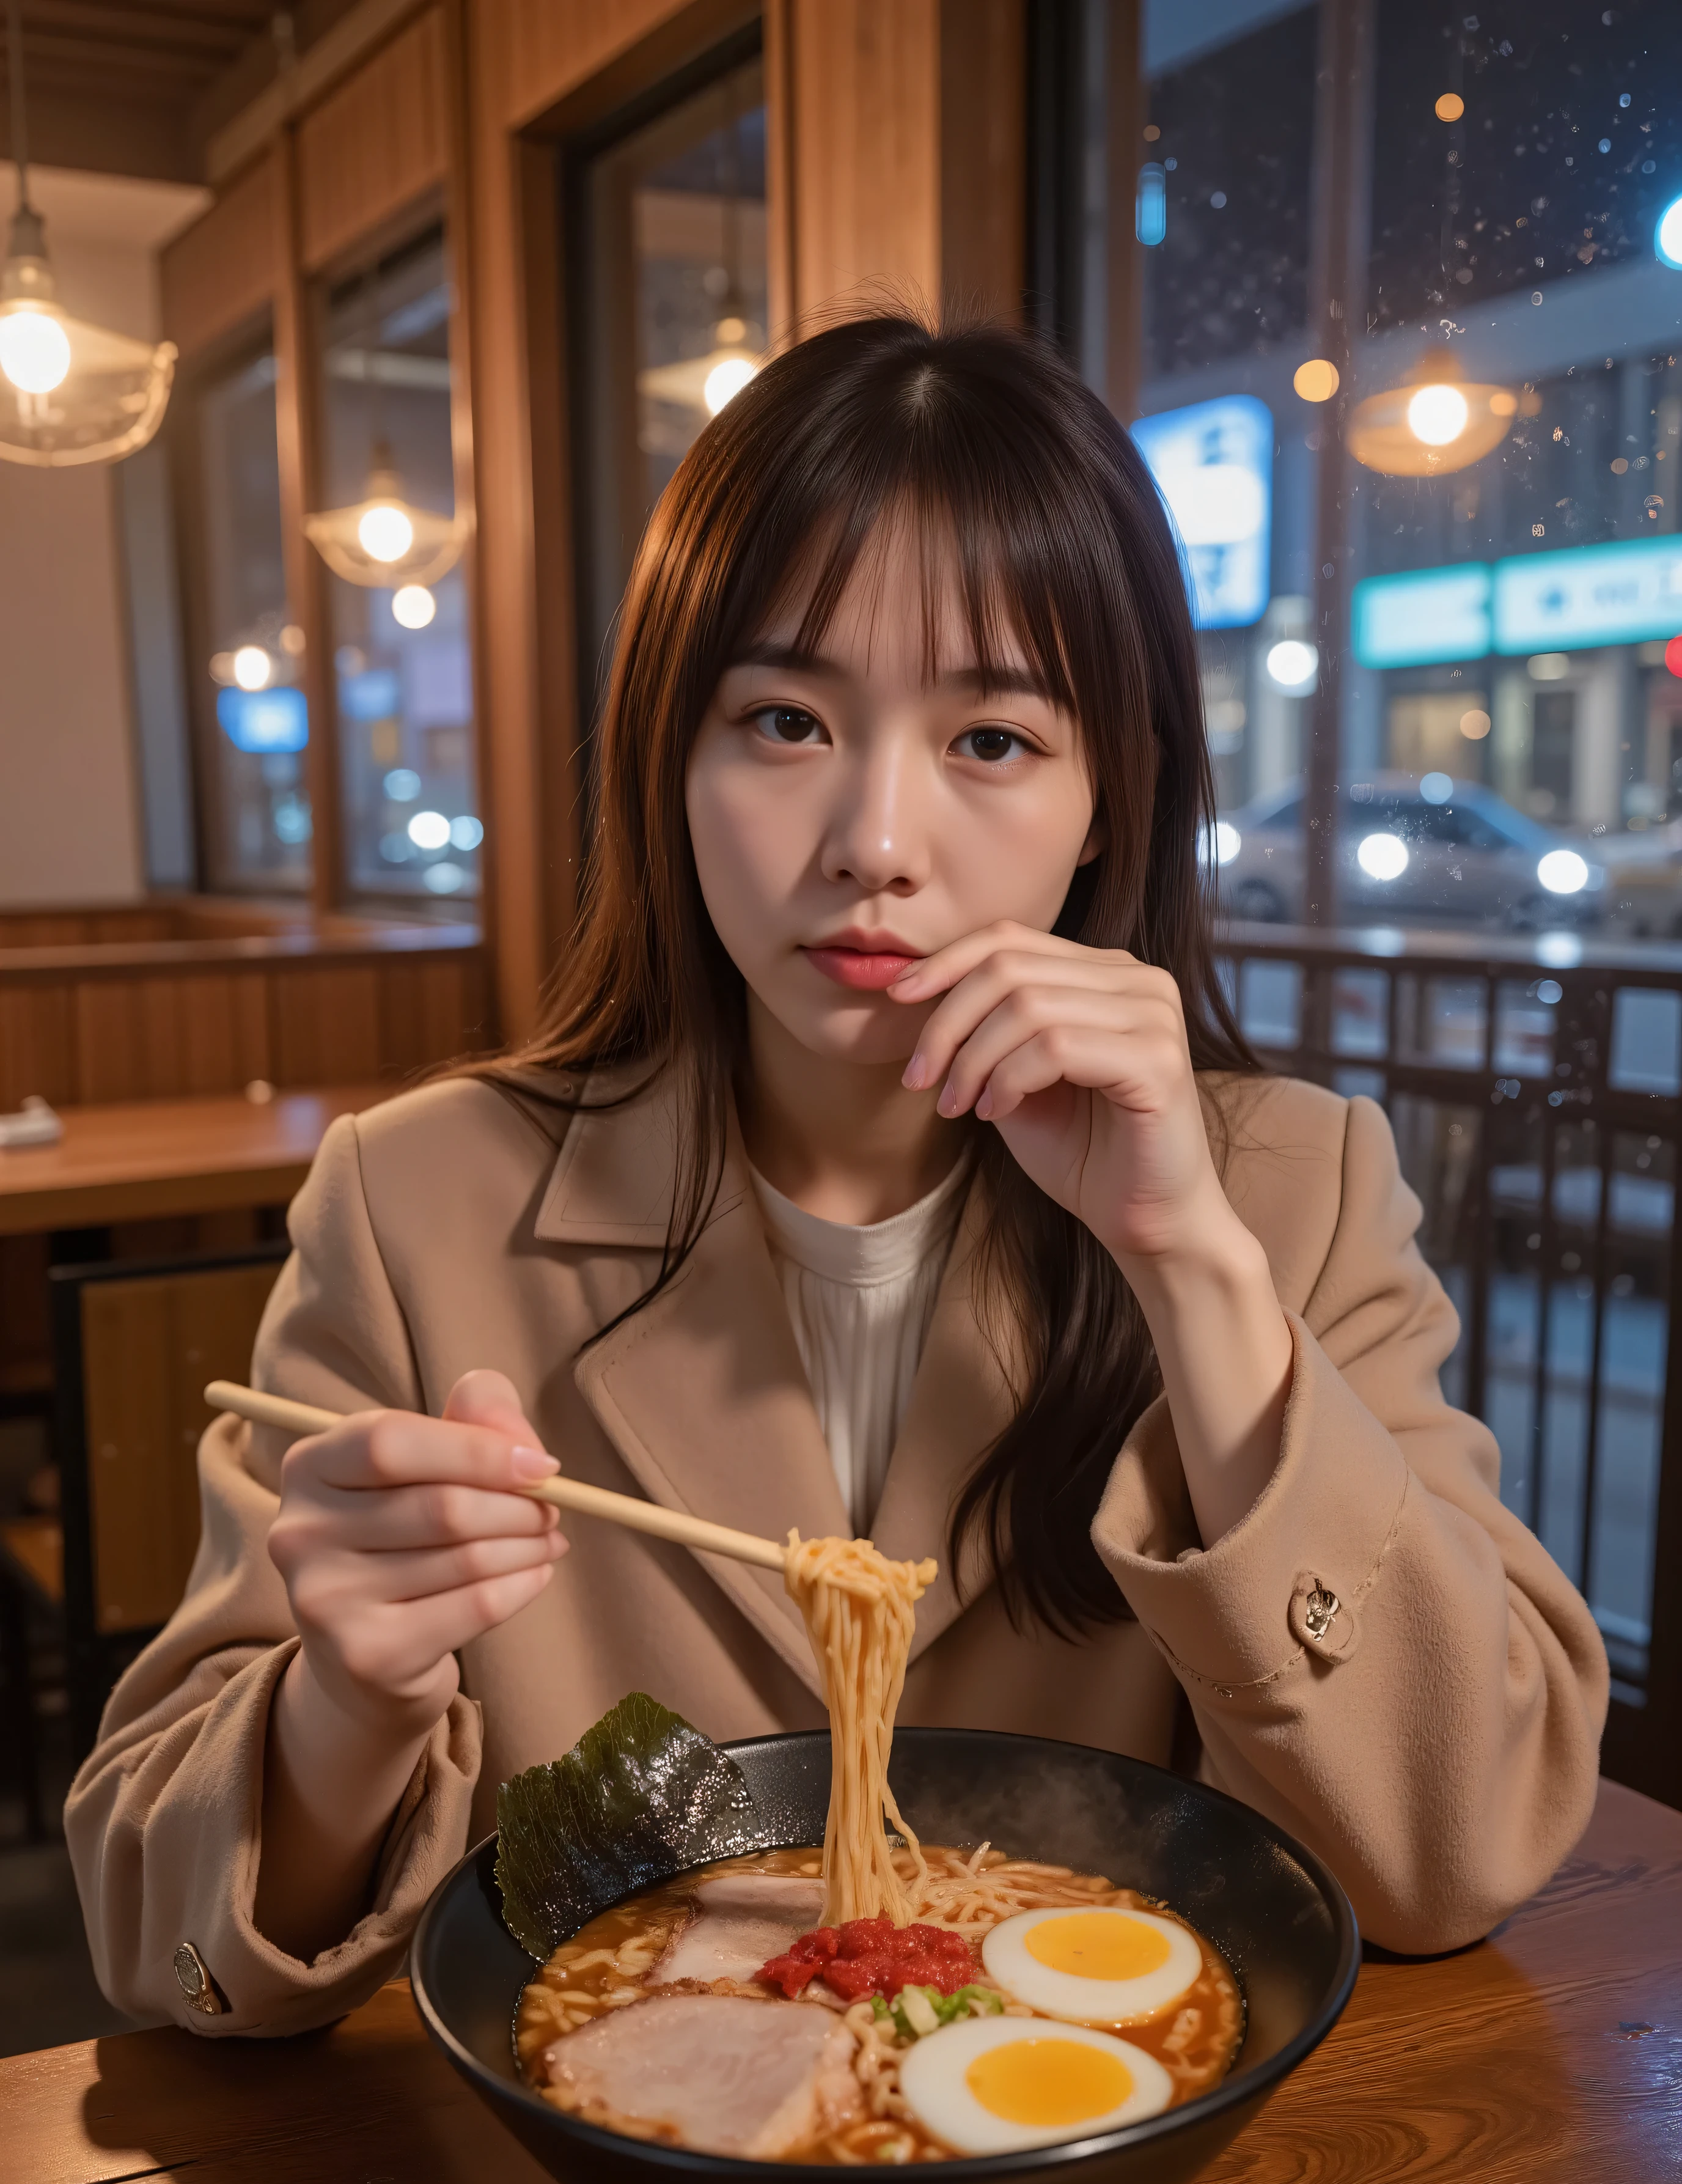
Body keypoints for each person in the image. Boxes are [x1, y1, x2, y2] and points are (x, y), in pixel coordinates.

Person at [67, 315, 1607, 2035]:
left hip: (1104, 2159)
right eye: (787, 720)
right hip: (612, 2179)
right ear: (674, 758)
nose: (876, 839)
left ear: (1112, 799)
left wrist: (1193, 1265)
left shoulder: (1293, 1190)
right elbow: (159, 1952)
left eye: (993, 742)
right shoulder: (417, 1203)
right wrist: (344, 1699)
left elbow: (1456, 1850)